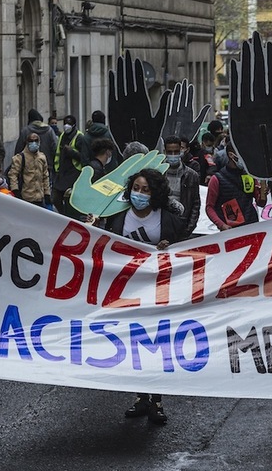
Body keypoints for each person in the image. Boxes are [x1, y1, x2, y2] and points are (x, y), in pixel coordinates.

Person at [104, 168, 187, 425]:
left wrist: (168, 248)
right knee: (135, 343)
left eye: (146, 190)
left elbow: (184, 252)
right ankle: (141, 397)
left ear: (155, 194)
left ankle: (158, 399)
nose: (139, 194)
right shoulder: (117, 218)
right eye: (136, 188)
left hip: (159, 290)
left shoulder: (168, 220)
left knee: (159, 343)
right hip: (128, 293)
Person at [205, 143, 267, 231]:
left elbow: (261, 203)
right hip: (231, 230)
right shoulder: (216, 179)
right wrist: (221, 225)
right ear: (231, 155)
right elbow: (209, 207)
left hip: (252, 224)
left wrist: (263, 194)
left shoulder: (250, 176)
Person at [163, 135, 201, 236]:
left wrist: (188, 229)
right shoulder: (158, 173)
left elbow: (195, 204)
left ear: (181, 151)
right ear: (164, 152)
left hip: (181, 226)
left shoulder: (191, 175)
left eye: (176, 152)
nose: (173, 155)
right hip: (161, 225)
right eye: (169, 152)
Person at [7, 132, 51, 207]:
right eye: (31, 141)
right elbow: (13, 174)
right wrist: (15, 190)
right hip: (26, 197)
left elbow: (45, 176)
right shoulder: (20, 158)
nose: (33, 143)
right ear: (27, 143)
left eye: (36, 140)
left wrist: (47, 193)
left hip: (40, 198)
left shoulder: (42, 157)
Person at [53, 115, 83, 216]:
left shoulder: (79, 137)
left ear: (74, 125)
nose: (66, 126)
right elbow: (58, 153)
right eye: (65, 123)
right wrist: (57, 169)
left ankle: (70, 216)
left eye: (69, 124)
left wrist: (72, 152)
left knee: (70, 200)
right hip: (62, 173)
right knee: (55, 198)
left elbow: (83, 157)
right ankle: (63, 215)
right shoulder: (62, 136)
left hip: (74, 173)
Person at [15, 109, 58, 173]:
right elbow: (55, 148)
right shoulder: (49, 130)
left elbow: (19, 149)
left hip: (29, 167)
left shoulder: (25, 131)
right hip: (47, 165)